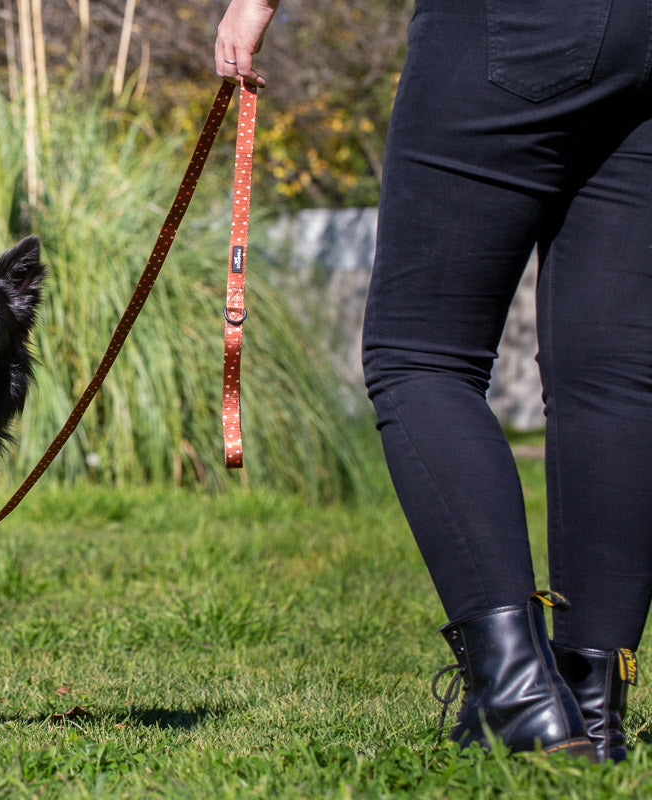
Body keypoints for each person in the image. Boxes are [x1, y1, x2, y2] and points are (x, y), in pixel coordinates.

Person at [217, 0, 650, 763]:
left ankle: (517, 702)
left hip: (512, 27)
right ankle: (592, 716)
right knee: (612, 383)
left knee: (421, 354)